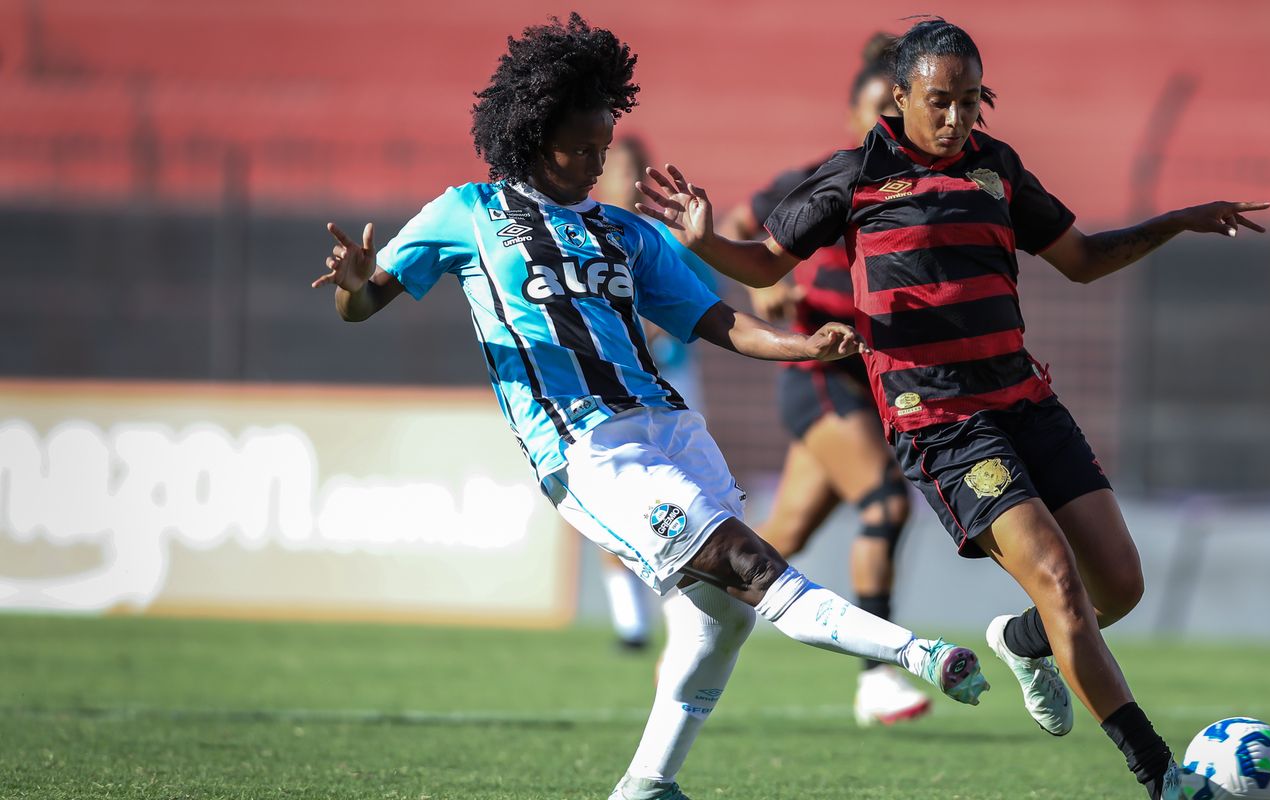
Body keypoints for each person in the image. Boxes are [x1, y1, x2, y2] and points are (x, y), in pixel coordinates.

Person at [309, 15, 988, 800]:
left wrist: (803, 346)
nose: (602, 159)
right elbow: (362, 307)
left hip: (673, 430)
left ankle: (645, 786)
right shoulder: (464, 213)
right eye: (587, 145)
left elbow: (717, 321)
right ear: (538, 134)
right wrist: (358, 287)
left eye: (607, 141)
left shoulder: (624, 232)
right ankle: (917, 657)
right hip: (588, 450)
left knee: (720, 618)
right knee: (748, 564)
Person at [635, 17, 1268, 800]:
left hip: (1027, 400)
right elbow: (765, 261)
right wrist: (700, 238)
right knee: (1059, 580)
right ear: (899, 97)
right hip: (940, 420)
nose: (958, 117)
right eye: (941, 100)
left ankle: (1024, 641)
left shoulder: (997, 169)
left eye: (971, 100)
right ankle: (1164, 777)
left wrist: (1174, 221)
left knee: (1121, 588)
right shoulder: (855, 175)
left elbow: (1083, 261)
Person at [717, 33, 930, 727]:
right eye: (873, 113)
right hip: (819, 371)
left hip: (876, 383)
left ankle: (695, 616)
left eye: (894, 116)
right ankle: (878, 676)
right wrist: (765, 293)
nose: (883, 129)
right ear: (852, 114)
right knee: (886, 503)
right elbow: (737, 228)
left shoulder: (928, 191)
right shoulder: (818, 179)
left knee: (779, 539)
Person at [582, 135, 721, 652]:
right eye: (619, 167)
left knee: (689, 494)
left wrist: (659, 325)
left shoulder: (665, 237)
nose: (628, 177)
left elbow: (703, 300)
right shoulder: (580, 236)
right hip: (606, 387)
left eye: (637, 168)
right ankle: (630, 624)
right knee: (614, 495)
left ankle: (684, 615)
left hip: (671, 382)